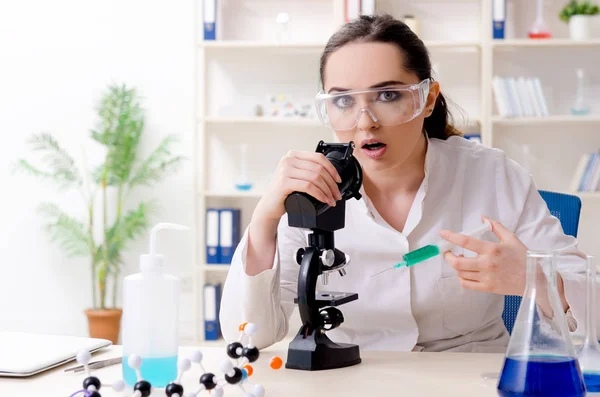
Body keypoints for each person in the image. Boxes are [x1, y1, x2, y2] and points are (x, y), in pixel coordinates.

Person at [219, 14, 590, 353]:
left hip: (468, 379)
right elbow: (247, 334)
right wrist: (266, 219)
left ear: (427, 99)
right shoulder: (311, 191)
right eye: (344, 100)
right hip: (352, 379)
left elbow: (594, 312)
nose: (365, 122)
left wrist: (536, 279)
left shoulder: (491, 174)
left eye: (388, 95)